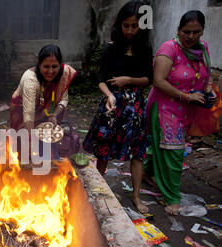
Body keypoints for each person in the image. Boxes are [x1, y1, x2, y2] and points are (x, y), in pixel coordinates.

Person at [82, 1, 153, 214]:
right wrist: (110, 95)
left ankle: (136, 196)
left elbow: (148, 79)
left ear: (141, 26)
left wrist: (127, 79)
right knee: (103, 150)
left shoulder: (145, 49)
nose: (130, 30)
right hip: (112, 106)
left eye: (134, 25)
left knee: (138, 153)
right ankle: (96, 190)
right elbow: (101, 80)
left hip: (135, 108)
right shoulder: (111, 48)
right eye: (126, 25)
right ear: (119, 24)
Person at [144, 10, 216, 216]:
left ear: (202, 31)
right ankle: (172, 197)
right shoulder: (169, 49)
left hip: (187, 109)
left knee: (161, 147)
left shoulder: (203, 49)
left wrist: (208, 89)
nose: (191, 37)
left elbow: (207, 75)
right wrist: (186, 96)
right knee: (174, 152)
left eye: (196, 32)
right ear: (178, 30)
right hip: (166, 107)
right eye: (187, 32)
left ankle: (148, 173)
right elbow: (158, 82)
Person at [9, 44, 77, 160]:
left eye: (54, 66)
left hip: (42, 112)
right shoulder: (30, 80)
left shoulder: (63, 75)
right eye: (46, 66)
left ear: (60, 65)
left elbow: (64, 99)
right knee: (25, 150)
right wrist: (31, 144)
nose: (50, 71)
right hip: (22, 112)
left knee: (48, 148)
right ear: (39, 64)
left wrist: (54, 114)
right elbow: (29, 114)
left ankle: (51, 160)